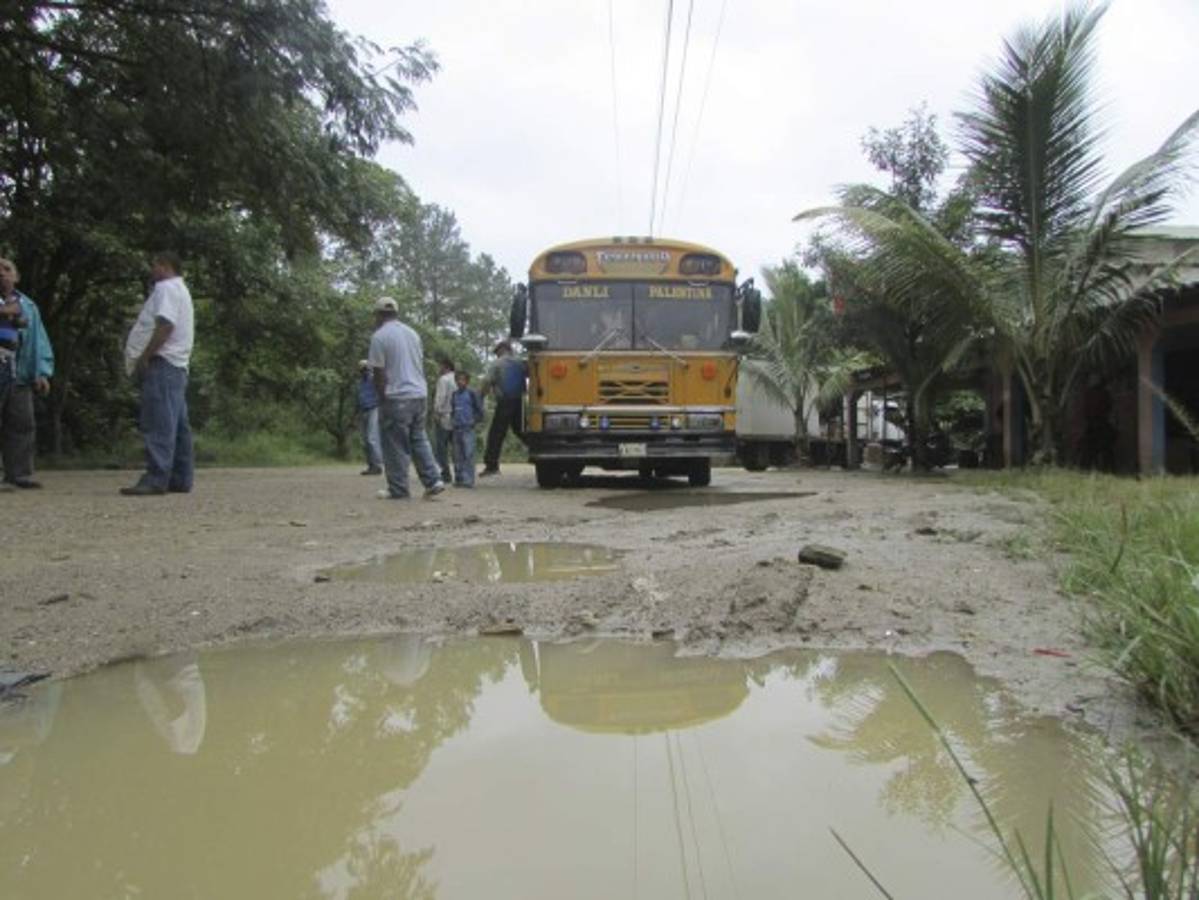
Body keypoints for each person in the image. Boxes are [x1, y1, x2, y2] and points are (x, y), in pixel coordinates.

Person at [121, 252, 194, 496]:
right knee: (178, 424)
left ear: (165, 266)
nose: (152, 269)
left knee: (159, 421)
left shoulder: (166, 288)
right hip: (178, 365)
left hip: (164, 362)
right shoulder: (181, 290)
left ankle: (156, 477)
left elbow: (165, 325)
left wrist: (146, 355)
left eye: (154, 264)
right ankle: (180, 478)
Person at [368, 296, 445, 500]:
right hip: (419, 394)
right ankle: (433, 480)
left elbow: (379, 373)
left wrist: (381, 397)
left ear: (378, 315)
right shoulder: (412, 334)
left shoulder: (379, 337)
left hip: (396, 395)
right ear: (396, 313)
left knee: (395, 444)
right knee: (419, 438)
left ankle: (399, 488)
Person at [0, 258, 53, 489]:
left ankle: (18, 474)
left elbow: (38, 341)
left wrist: (41, 372)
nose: (2, 273)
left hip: (19, 373)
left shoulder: (29, 306)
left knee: (22, 423)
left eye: (7, 269)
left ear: (16, 276)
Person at [479, 340, 527, 477]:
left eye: (497, 352)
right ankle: (540, 450)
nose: (496, 355)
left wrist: (480, 397)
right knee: (521, 430)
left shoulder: (497, 363)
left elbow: (487, 382)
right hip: (519, 401)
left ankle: (491, 466)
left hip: (505, 401)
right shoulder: (520, 363)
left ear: (501, 350)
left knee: (496, 433)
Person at [450, 370, 485, 487]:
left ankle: (468, 480)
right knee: (457, 454)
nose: (460, 382)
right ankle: (459, 479)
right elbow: (453, 410)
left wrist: (473, 422)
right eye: (458, 380)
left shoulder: (472, 393)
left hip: (468, 428)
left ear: (467, 381)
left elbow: (480, 411)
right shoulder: (454, 395)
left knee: (468, 453)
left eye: (463, 380)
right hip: (456, 428)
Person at [431, 355, 456, 484]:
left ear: (445, 366)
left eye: (439, 366)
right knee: (456, 447)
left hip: (444, 416)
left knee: (441, 448)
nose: (438, 368)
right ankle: (460, 473)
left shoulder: (443, 380)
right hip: (457, 417)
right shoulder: (457, 378)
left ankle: (445, 474)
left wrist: (436, 412)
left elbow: (440, 397)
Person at [356, 360, 383, 476]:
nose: (364, 370)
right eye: (362, 369)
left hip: (374, 409)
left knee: (372, 438)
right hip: (364, 410)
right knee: (365, 440)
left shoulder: (373, 379)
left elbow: (381, 391)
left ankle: (377, 465)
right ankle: (371, 465)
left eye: (365, 368)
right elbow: (359, 399)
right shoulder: (360, 383)